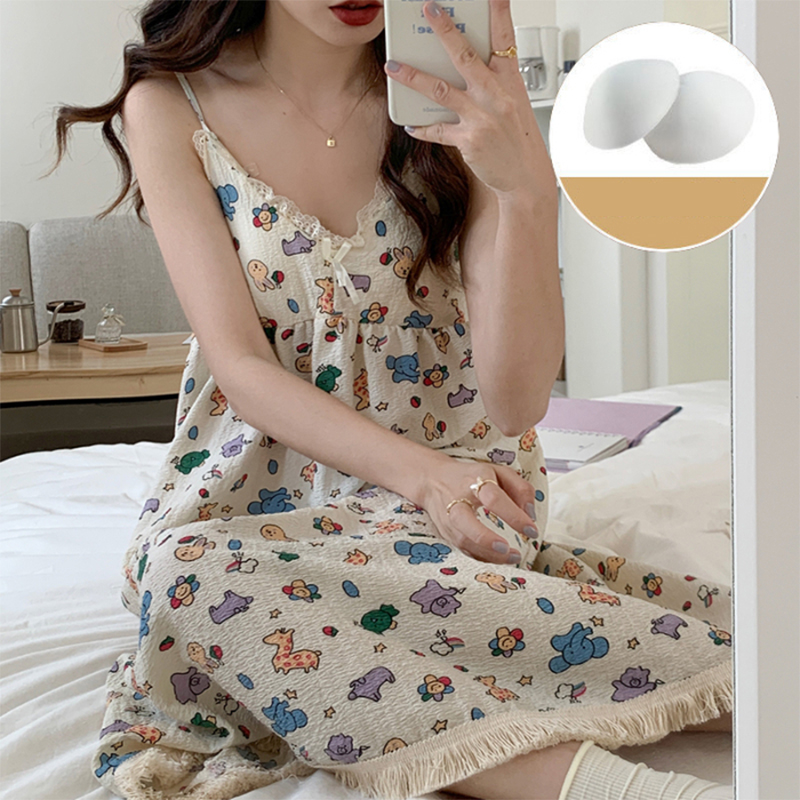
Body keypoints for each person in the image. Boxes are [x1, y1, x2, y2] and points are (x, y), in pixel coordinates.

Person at [50, 1, 733, 798]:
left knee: (287, 611)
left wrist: (527, 192)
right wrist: (423, 477)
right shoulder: (171, 105)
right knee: (185, 574)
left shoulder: (457, 94)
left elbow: (517, 403)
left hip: (456, 483)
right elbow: (240, 365)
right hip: (263, 493)